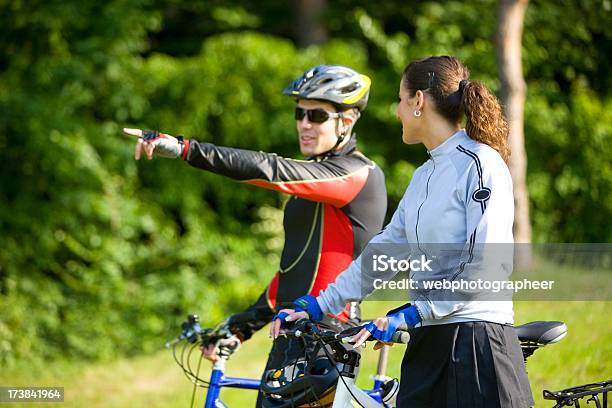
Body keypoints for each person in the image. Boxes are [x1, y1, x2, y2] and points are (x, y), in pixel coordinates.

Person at [272, 56, 535, 408]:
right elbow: (387, 251)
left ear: (418, 102)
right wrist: (320, 305)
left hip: (477, 344)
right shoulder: (424, 176)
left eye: (399, 98)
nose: (396, 110)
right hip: (427, 343)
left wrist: (414, 312)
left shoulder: (481, 163)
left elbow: (485, 263)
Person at [123, 64, 387, 407]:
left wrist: (186, 149)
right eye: (300, 113)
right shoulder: (309, 190)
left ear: (347, 122)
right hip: (292, 334)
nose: (305, 124)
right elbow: (293, 274)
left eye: (318, 116)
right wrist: (241, 326)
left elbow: (272, 169)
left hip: (326, 338)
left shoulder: (357, 174)